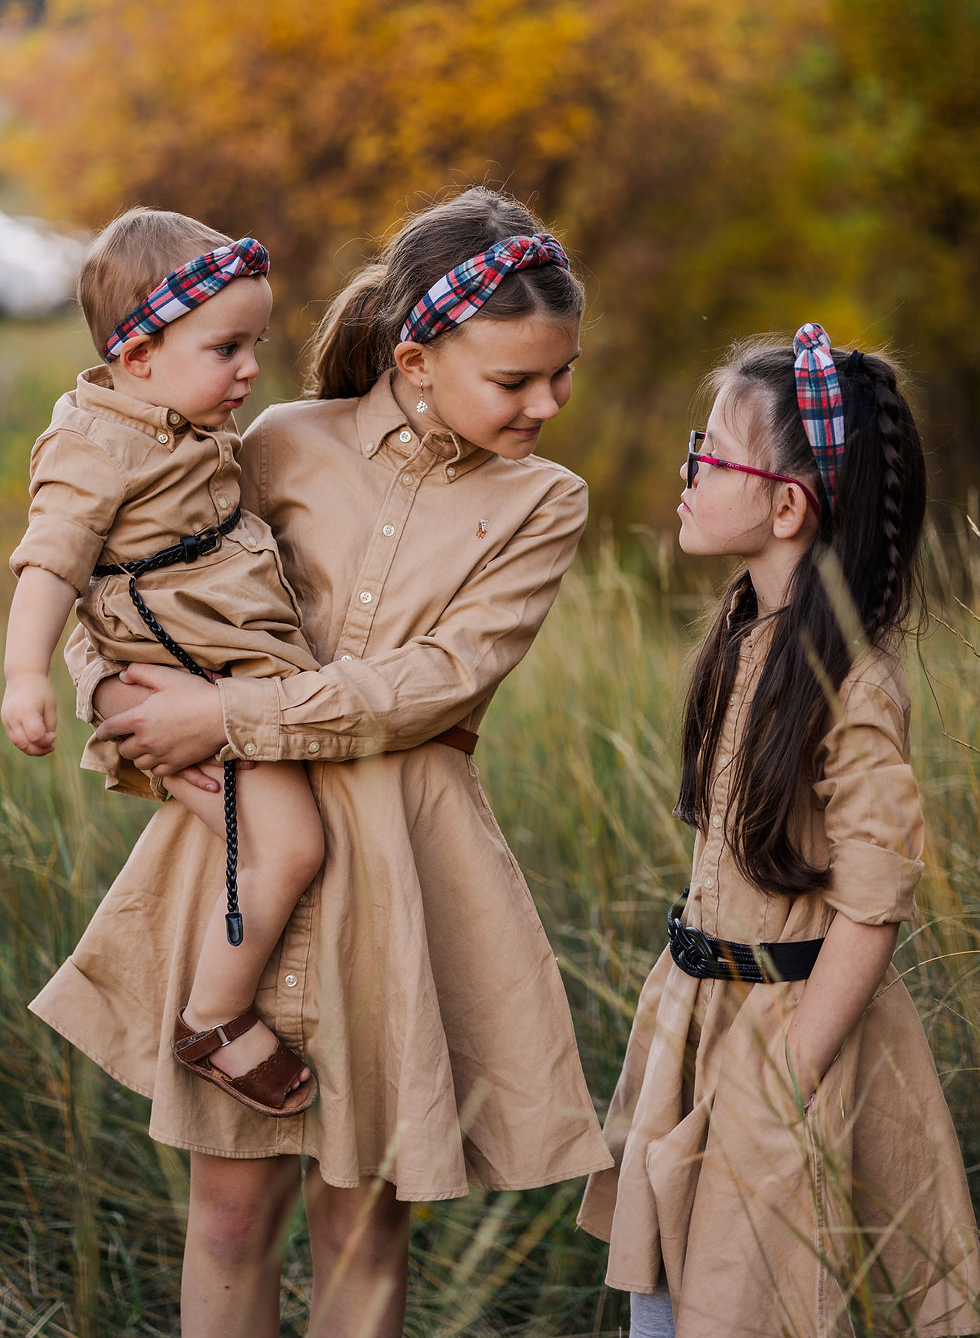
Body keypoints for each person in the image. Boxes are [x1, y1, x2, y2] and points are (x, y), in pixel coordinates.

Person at [28, 187, 613, 1337]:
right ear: (416, 356)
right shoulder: (278, 440)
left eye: (562, 375)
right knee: (231, 1213)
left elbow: (438, 677)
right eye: (514, 381)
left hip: (403, 867)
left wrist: (226, 716)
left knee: (361, 1220)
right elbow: (137, 575)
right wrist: (108, 692)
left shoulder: (543, 501)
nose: (544, 404)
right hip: (237, 854)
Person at [578, 325, 980, 1338]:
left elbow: (874, 899)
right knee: (662, 1295)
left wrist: (785, 1077)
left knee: (748, 1295)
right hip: (699, 1015)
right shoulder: (739, 635)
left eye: (705, 455)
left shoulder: (850, 681)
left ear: (786, 505)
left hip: (786, 1032)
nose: (684, 470)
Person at [3, 208, 325, 1116]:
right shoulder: (94, 444)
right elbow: (52, 561)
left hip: (230, 676)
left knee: (256, 834)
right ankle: (213, 1019)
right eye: (227, 348)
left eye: (253, 344)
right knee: (293, 847)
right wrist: (26, 673)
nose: (250, 369)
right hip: (196, 684)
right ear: (137, 355)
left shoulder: (168, 416)